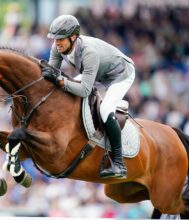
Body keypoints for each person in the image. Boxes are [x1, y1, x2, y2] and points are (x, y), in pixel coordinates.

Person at [42, 15, 135, 179]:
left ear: (73, 37)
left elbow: (84, 90)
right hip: (98, 74)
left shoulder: (88, 52)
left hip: (120, 74)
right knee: (65, 88)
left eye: (61, 39)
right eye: (55, 39)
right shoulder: (57, 48)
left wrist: (59, 80)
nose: (57, 43)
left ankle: (119, 164)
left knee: (105, 109)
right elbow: (52, 73)